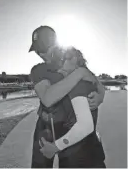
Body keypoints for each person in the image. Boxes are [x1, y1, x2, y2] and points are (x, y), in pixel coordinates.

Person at [29, 26, 105, 168]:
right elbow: (47, 98)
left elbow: (96, 83)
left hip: (71, 124)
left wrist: (101, 95)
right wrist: (80, 73)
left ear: (54, 43)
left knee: (73, 162)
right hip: (46, 126)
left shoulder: (69, 61)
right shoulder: (38, 70)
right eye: (37, 50)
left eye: (42, 48)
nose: (39, 53)